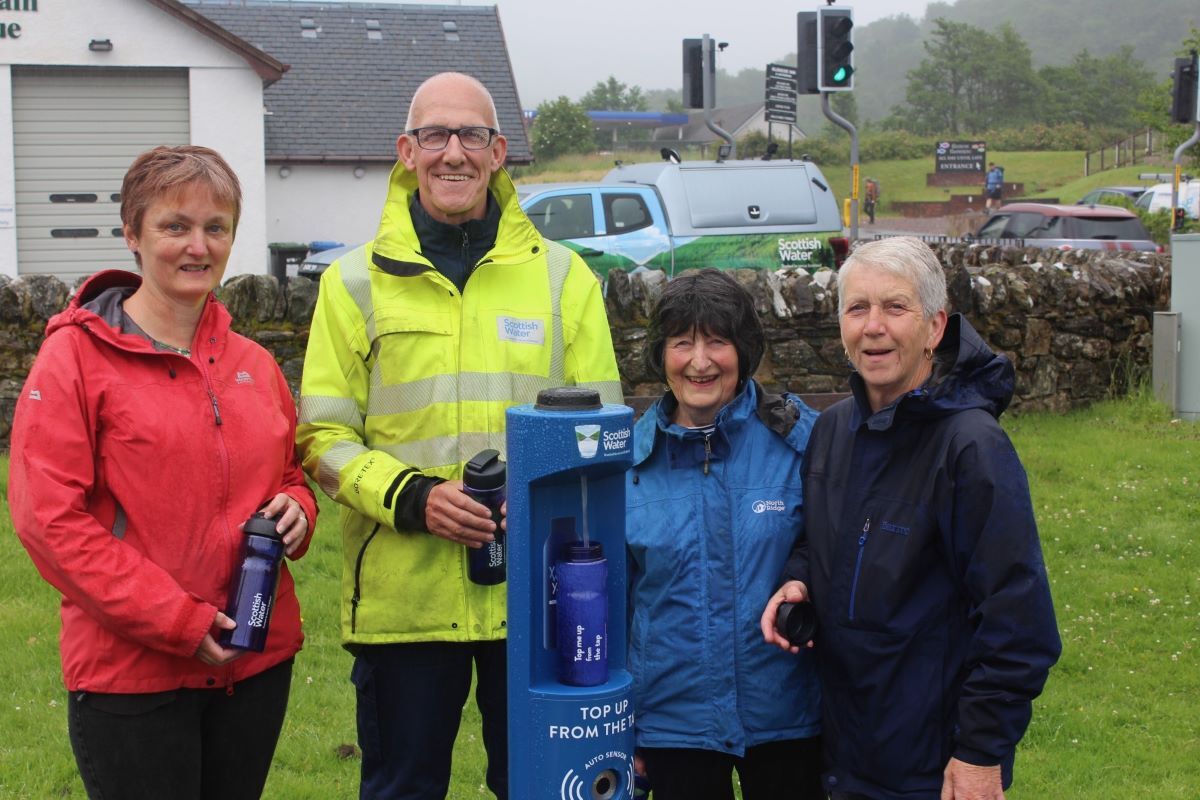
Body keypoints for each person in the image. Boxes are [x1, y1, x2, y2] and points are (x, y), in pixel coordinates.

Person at [296, 71, 622, 800]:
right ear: (405, 151)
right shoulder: (351, 284)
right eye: (435, 136)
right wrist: (414, 497)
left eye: (471, 135)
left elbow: (603, 440)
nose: (453, 153)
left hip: (537, 595)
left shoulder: (565, 280)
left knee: (543, 788)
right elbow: (320, 437)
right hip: (404, 604)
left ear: (499, 151)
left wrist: (538, 499)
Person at [8, 145, 317, 800]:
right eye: (174, 226)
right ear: (133, 234)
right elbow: (49, 522)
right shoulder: (75, 360)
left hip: (255, 664)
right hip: (133, 677)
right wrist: (178, 621)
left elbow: (287, 473)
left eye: (216, 227)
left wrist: (299, 508)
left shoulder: (254, 364)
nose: (197, 246)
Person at [760, 236, 1060, 800]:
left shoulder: (970, 447)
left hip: (931, 764)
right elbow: (819, 542)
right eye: (857, 308)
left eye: (895, 307)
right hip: (842, 751)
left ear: (936, 327)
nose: (874, 327)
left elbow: (1017, 623)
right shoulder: (831, 431)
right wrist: (798, 578)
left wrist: (979, 752)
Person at [626, 269, 823, 800]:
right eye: (682, 343)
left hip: (789, 715)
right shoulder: (625, 462)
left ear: (745, 349)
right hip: (672, 722)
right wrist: (623, 725)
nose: (700, 361)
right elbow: (610, 606)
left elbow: (836, 550)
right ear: (659, 354)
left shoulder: (803, 441)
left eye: (717, 341)